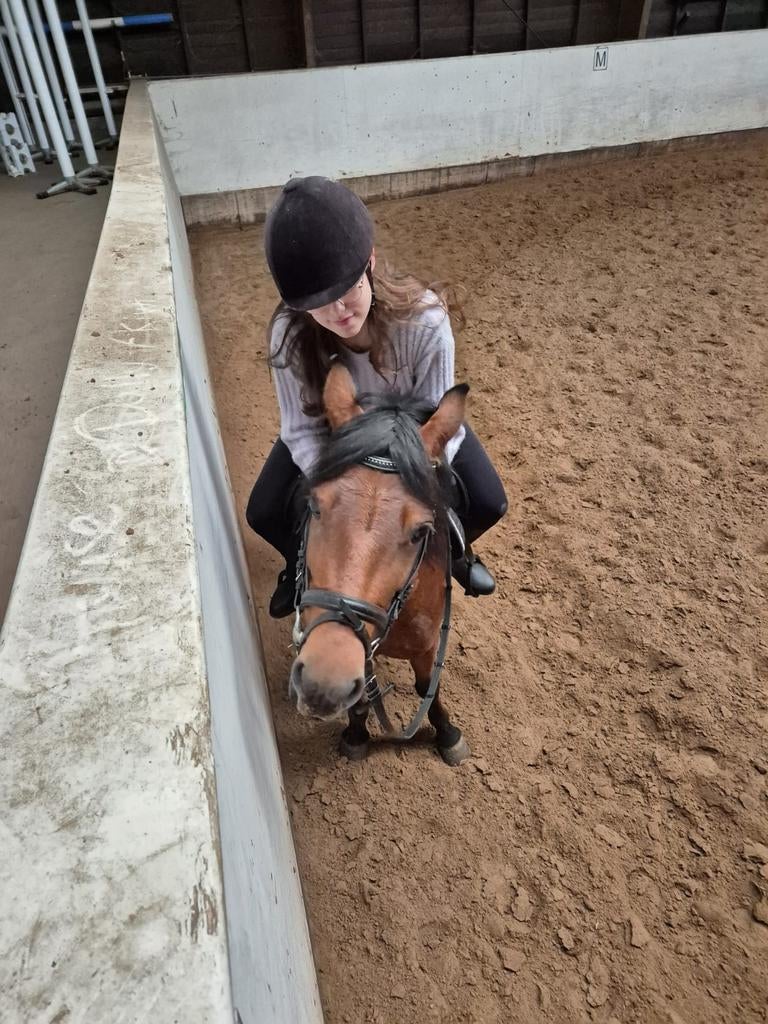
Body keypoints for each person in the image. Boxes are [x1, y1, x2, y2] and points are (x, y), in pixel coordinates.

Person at [246, 175, 507, 618]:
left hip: (412, 440)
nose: (338, 312)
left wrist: (400, 480)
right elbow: (301, 430)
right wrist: (344, 484)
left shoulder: (426, 325)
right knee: (264, 511)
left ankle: (457, 556)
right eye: (318, 303)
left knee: (488, 501)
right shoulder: (288, 333)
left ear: (369, 262)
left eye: (346, 290)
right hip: (333, 440)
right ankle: (298, 565)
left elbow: (436, 421)